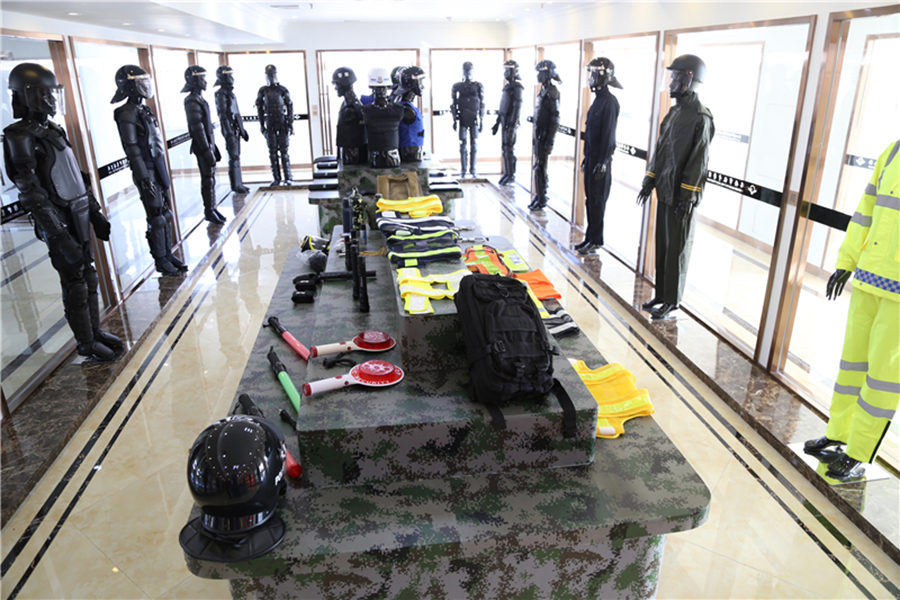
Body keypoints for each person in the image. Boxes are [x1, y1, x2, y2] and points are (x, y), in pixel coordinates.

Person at [4, 63, 123, 361]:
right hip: (57, 218)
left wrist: (94, 212)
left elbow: (76, 177)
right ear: (26, 96)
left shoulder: (54, 129)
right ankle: (85, 343)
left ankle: (93, 332)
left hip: (77, 211)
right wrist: (57, 235)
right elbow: (31, 193)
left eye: (52, 92)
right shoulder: (18, 136)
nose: (50, 99)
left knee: (89, 275)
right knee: (75, 283)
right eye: (43, 93)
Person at [804, 139, 899, 480]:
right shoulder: (893, 151)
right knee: (851, 365)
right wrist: (847, 261)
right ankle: (838, 433)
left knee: (882, 378)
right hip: (868, 277)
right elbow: (865, 212)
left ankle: (858, 452)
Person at [637, 54, 714, 319]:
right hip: (665, 191)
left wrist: (689, 197)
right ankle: (661, 293)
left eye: (676, 77)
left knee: (678, 249)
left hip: (682, 197)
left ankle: (672, 300)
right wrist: (650, 179)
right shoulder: (673, 113)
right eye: (671, 77)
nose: (671, 82)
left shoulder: (701, 117)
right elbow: (661, 149)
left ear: (690, 79)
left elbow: (699, 161)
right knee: (663, 245)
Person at [111, 64, 187, 275]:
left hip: (157, 165)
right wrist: (144, 178)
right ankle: (160, 259)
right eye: (140, 82)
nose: (145, 86)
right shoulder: (125, 113)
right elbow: (132, 148)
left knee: (166, 213)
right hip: (146, 169)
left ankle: (167, 253)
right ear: (130, 86)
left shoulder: (144, 109)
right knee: (156, 215)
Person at [576, 57, 622, 256]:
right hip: (592, 158)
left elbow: (608, 136)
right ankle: (589, 236)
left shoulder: (609, 102)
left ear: (602, 76)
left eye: (593, 74)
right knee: (590, 201)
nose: (590, 78)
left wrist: (603, 162)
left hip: (601, 161)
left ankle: (596, 240)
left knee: (597, 202)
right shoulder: (598, 100)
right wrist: (587, 158)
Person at [182, 65, 225, 224]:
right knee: (207, 179)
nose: (205, 81)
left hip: (208, 144)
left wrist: (212, 146)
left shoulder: (199, 99)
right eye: (202, 78)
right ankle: (209, 210)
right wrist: (207, 150)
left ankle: (212, 208)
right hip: (202, 147)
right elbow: (197, 128)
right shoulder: (191, 101)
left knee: (210, 179)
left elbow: (205, 127)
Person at [360, 67, 415, 168]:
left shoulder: (400, 109)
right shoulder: (365, 110)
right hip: (375, 160)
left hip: (393, 160)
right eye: (377, 88)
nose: (380, 91)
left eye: (383, 88)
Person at [214, 65, 250, 194]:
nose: (231, 78)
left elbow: (236, 112)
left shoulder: (230, 93)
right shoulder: (220, 94)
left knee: (236, 157)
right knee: (233, 157)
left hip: (235, 128)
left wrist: (241, 129)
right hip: (229, 129)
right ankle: (235, 185)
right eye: (229, 75)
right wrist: (229, 132)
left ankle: (239, 183)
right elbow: (223, 115)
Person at [530, 59, 561, 211]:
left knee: (541, 168)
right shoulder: (543, 91)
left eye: (540, 73)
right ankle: (539, 195)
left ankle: (542, 198)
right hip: (539, 135)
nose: (538, 76)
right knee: (538, 167)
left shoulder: (552, 92)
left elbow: (555, 119)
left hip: (545, 137)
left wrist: (549, 141)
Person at [255, 65, 293, 184]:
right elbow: (259, 109)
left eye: (272, 74)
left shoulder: (282, 90)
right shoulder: (263, 91)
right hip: (270, 122)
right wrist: (262, 124)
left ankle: (288, 177)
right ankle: (276, 177)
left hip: (282, 121)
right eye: (269, 75)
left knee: (284, 151)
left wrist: (290, 123)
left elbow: (290, 106)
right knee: (272, 152)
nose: (271, 77)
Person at [492, 60, 524, 186]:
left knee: (509, 149)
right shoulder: (508, 87)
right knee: (505, 148)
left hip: (511, 123)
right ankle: (507, 172)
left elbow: (517, 108)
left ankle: (511, 174)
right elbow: (502, 107)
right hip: (505, 121)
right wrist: (497, 123)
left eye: (507, 70)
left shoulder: (517, 87)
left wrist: (512, 125)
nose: (505, 73)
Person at [450, 62, 484, 178]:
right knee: (462, 145)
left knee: (474, 144)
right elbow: (453, 104)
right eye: (466, 70)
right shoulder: (457, 86)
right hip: (462, 117)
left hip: (474, 117)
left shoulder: (478, 85)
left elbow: (482, 103)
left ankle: (473, 169)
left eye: (469, 70)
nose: (467, 73)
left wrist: (482, 120)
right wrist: (454, 120)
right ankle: (463, 170)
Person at [332, 67, 367, 166]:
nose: (335, 88)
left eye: (336, 85)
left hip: (353, 156)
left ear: (342, 84)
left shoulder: (351, 108)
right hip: (349, 153)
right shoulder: (350, 104)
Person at [396, 66, 426, 163]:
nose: (423, 86)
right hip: (409, 156)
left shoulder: (407, 107)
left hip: (413, 155)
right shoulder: (406, 109)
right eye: (421, 81)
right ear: (413, 83)